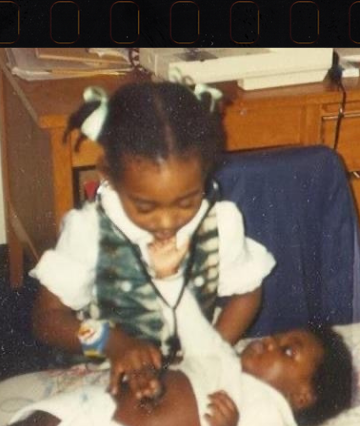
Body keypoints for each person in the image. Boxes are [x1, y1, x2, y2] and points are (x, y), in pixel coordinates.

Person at [30, 81, 276, 400]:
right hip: (104, 371)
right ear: (108, 173)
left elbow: (247, 295)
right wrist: (113, 343)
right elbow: (46, 318)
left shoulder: (222, 221)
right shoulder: (89, 230)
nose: (166, 222)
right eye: (145, 207)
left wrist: (209, 350)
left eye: (186, 202)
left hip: (191, 371)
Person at [0, 320, 354, 426]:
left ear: (302, 395)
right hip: (96, 405)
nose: (270, 341)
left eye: (287, 351)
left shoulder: (271, 414)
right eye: (277, 337)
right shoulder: (225, 359)